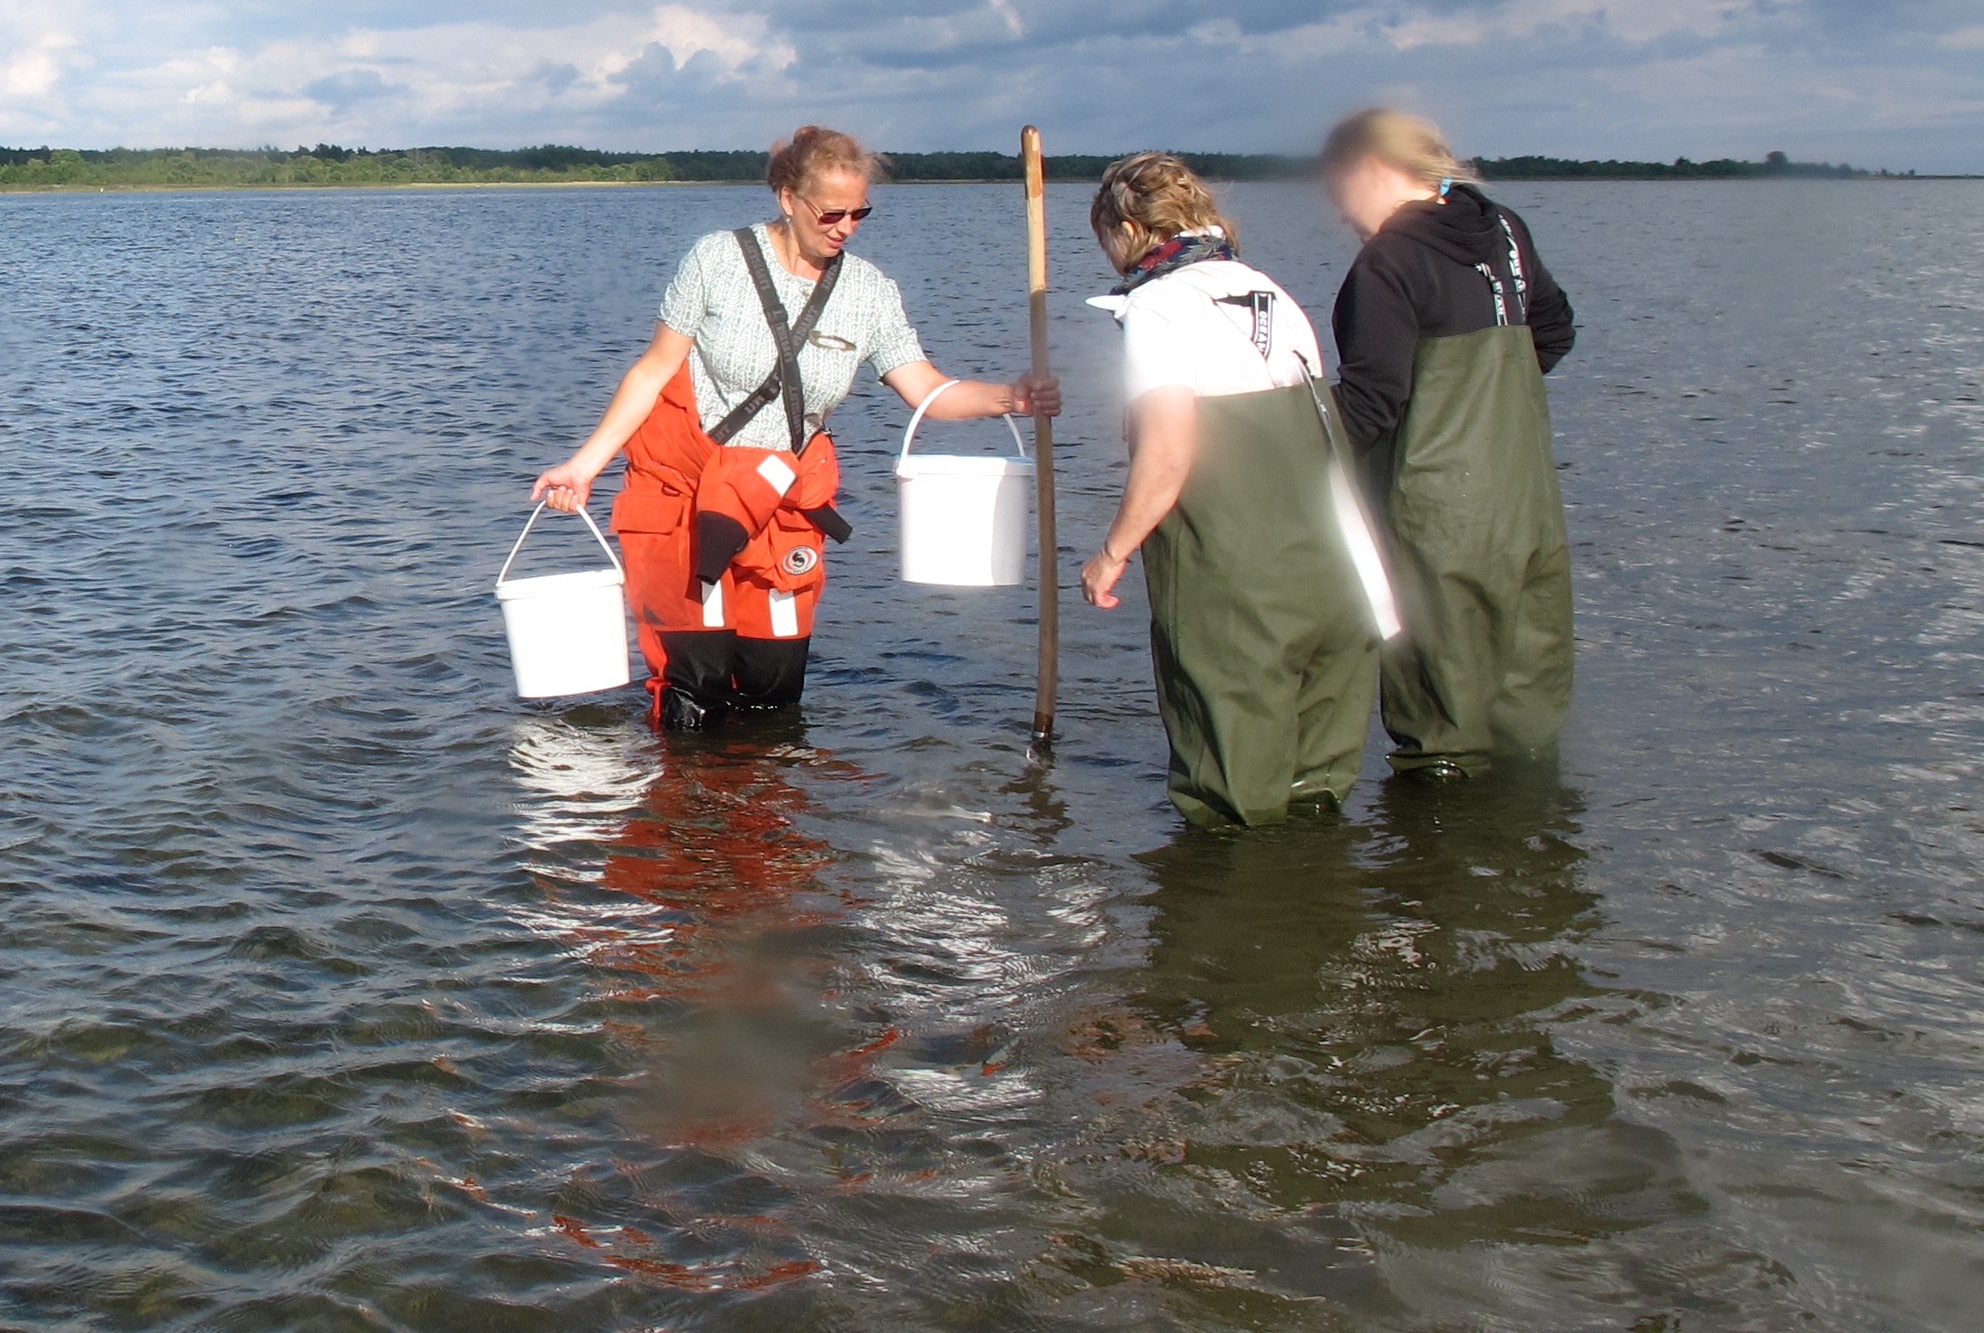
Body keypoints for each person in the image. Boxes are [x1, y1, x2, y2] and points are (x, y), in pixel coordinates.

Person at [532, 124, 1058, 731]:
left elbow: (927, 390)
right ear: (788, 198)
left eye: (859, 213)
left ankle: (763, 790)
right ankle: (684, 790)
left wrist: (1012, 397)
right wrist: (584, 466)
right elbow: (652, 371)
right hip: (687, 494)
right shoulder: (717, 259)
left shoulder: (869, 292)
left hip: (780, 503)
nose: (845, 227)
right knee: (695, 689)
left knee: (772, 689)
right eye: (831, 212)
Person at [1075, 153, 1396, 827]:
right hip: (1338, 579)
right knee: (1315, 799)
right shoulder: (1270, 290)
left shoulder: (1158, 306)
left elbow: (1168, 453)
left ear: (1127, 230)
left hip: (1239, 585)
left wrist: (1111, 553)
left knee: (1232, 801)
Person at [1319, 108, 1577, 773]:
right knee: (1525, 716)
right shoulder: (1504, 229)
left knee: (1441, 729)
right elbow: (1554, 331)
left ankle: (1437, 834)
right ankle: (1532, 830)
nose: (1341, 215)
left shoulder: (1388, 261)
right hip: (1525, 508)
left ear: (1369, 168)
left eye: (1338, 192)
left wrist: (1275, 448)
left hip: (1434, 518)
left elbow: (1369, 408)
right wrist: (1482, 404)